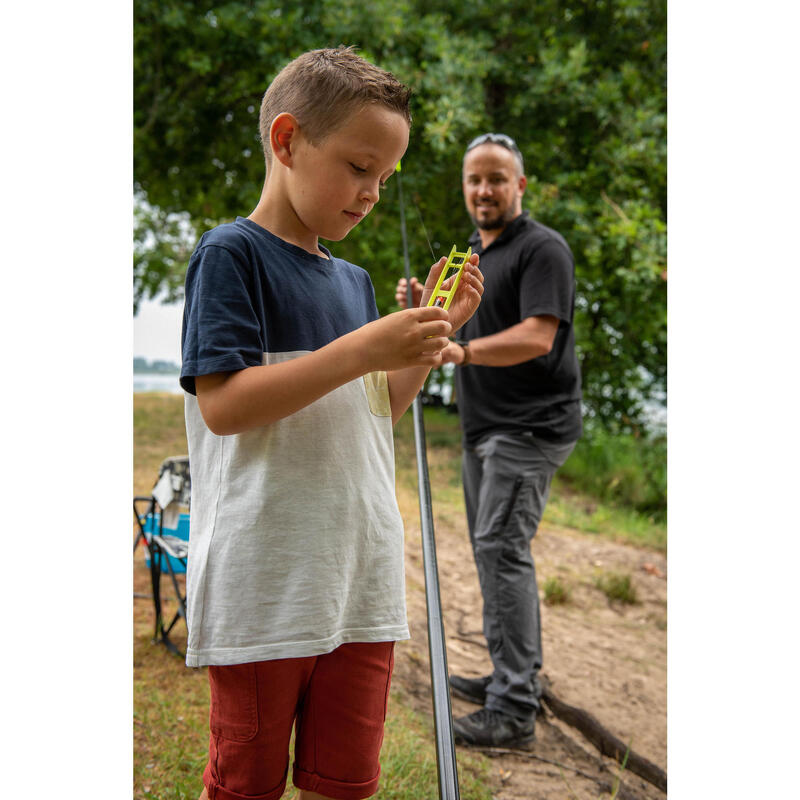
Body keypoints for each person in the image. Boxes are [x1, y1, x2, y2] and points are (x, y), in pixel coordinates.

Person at [179, 47, 483, 800]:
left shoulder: (355, 282)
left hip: (359, 582)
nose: (372, 191)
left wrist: (426, 339)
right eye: (357, 166)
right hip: (268, 585)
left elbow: (371, 414)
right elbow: (224, 406)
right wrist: (359, 350)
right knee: (247, 782)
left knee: (345, 782)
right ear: (286, 140)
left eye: (385, 177)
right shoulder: (230, 255)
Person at [396, 132, 582, 748]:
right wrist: (430, 309)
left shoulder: (542, 249)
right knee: (489, 551)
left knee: (501, 551)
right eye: (474, 178)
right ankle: (510, 673)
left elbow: (536, 336)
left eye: (497, 178)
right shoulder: (476, 253)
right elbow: (460, 324)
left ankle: (514, 708)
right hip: (485, 428)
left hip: (530, 429)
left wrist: (463, 349)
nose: (484, 189)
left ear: (519, 185)